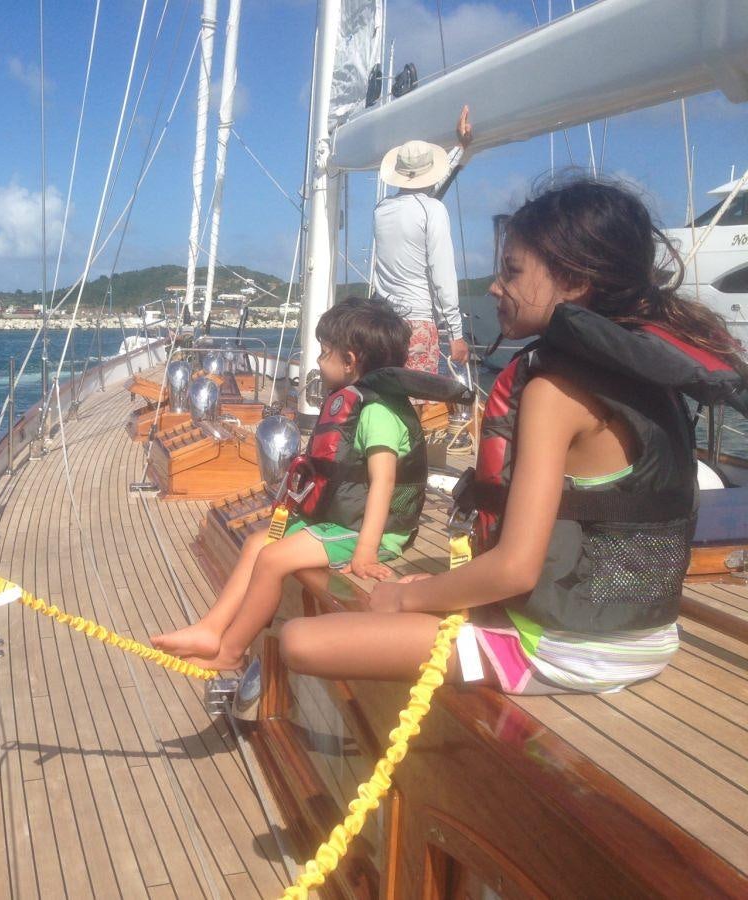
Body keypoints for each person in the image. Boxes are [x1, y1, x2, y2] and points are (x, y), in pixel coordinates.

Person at [280, 178, 748, 693]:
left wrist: (406, 597)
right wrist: (441, 589)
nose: (496, 288)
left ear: (574, 282)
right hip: (647, 637)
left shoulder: (554, 390)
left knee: (300, 641)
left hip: (564, 649)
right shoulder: (647, 374)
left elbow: (517, 570)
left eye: (512, 272)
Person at [150, 297, 469, 670]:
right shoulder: (360, 401)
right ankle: (210, 628)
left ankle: (232, 651)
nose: (318, 360)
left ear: (349, 361)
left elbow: (383, 482)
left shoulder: (379, 412)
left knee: (272, 559)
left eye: (324, 352)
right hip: (343, 520)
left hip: (374, 533)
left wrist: (365, 551)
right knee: (258, 542)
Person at [373, 105, 474, 375]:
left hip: (384, 321)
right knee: (414, 400)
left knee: (388, 393)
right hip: (417, 323)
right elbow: (442, 276)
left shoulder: (381, 210)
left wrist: (460, 149)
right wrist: (456, 334)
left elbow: (422, 195)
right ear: (429, 172)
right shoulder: (433, 211)